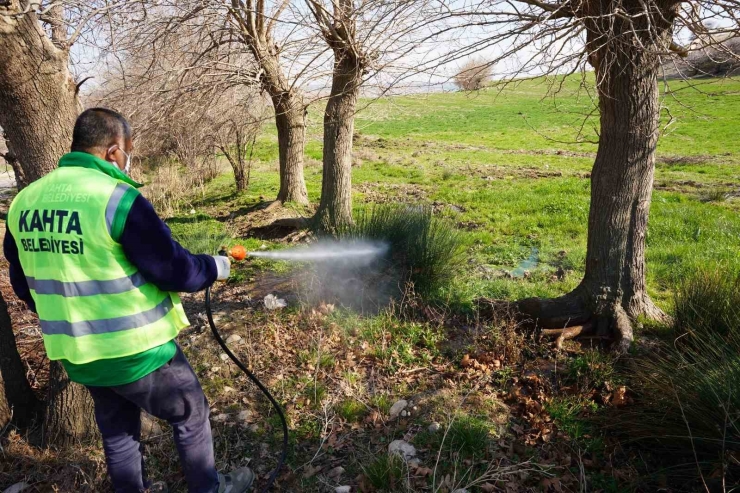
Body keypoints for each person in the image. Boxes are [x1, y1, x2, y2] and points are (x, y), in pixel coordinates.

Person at [3, 108, 254, 493]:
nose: (127, 158)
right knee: (191, 413)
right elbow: (173, 270)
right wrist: (213, 267)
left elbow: (24, 285)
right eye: (128, 150)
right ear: (112, 150)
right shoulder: (117, 199)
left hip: (78, 352)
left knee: (118, 431)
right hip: (138, 350)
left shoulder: (24, 203)